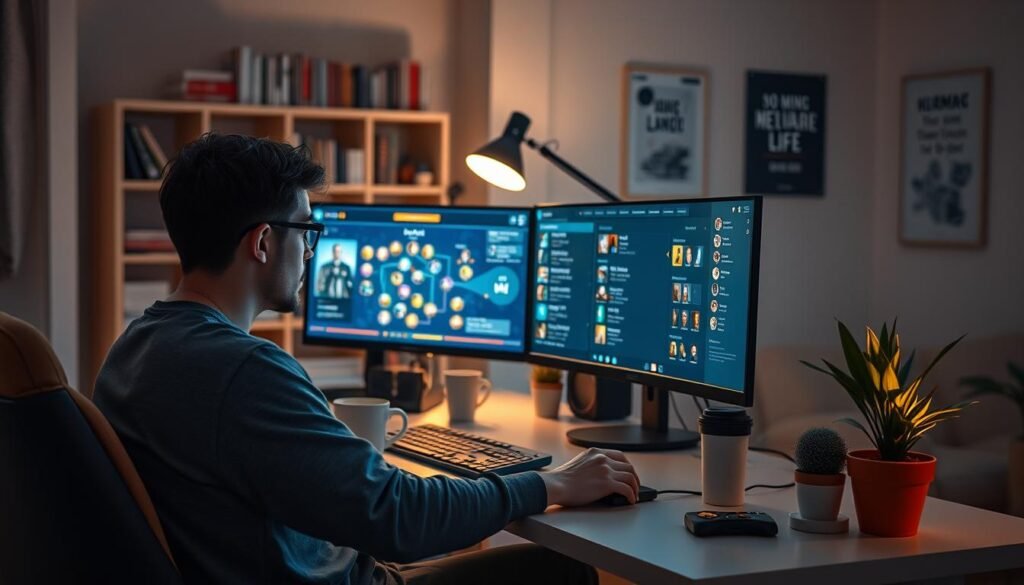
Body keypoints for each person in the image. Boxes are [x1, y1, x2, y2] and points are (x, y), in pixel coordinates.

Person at [93, 134, 634, 585]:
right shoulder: (245, 371)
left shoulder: (134, 347)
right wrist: (552, 485)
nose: (311, 251)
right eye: (307, 231)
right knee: (562, 568)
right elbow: (396, 516)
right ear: (261, 243)